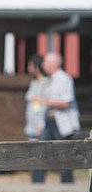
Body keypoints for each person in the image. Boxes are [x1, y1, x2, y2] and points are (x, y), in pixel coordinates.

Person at [32, 53, 81, 183]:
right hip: (49, 120)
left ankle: (66, 182)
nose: (43, 65)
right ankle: (37, 182)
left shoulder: (64, 79)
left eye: (46, 62)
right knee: (42, 151)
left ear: (55, 64)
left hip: (62, 121)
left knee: (64, 153)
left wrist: (44, 101)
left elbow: (66, 103)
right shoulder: (49, 80)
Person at [24, 55, 49, 183]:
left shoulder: (46, 83)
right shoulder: (34, 83)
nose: (28, 68)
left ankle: (39, 180)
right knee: (32, 153)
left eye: (30, 65)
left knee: (40, 153)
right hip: (31, 123)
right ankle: (34, 180)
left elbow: (45, 105)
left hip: (41, 123)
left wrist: (41, 123)